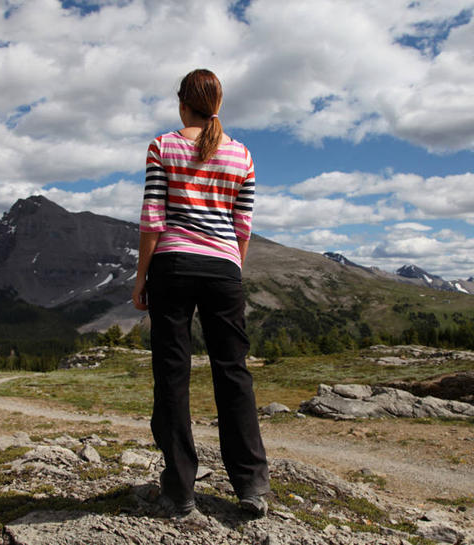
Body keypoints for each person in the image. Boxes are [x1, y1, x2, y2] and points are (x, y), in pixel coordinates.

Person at [132, 69, 270, 518]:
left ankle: (180, 491)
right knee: (233, 372)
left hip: (173, 264)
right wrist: (232, 264)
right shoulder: (242, 155)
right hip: (224, 269)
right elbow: (242, 224)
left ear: (181, 104)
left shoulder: (163, 146)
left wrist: (141, 279)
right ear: (218, 104)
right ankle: (251, 487)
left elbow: (153, 217)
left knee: (172, 374)